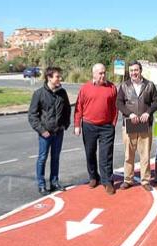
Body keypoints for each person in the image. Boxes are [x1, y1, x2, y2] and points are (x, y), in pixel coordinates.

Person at [74, 63, 118, 195]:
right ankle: (93, 177)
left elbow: (115, 107)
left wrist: (113, 123)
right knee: (90, 152)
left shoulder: (111, 87)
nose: (103, 75)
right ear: (93, 74)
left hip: (106, 127)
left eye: (104, 73)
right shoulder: (85, 88)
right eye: (100, 73)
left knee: (106, 155)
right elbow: (78, 107)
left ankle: (107, 181)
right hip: (89, 126)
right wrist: (77, 125)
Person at [117, 60, 157, 191]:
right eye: (131, 71)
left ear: (140, 70)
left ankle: (145, 180)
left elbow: (156, 101)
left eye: (136, 70)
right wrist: (129, 114)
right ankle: (128, 179)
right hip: (129, 123)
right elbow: (119, 103)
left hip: (144, 124)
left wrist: (148, 112)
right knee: (128, 154)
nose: (133, 73)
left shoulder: (149, 85)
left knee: (145, 154)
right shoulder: (124, 86)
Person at [28, 66, 71, 195]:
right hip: (45, 134)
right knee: (42, 158)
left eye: (59, 76)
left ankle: (54, 182)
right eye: (57, 76)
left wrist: (65, 125)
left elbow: (67, 110)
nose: (60, 78)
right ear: (49, 78)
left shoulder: (62, 93)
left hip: (58, 132)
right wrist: (41, 130)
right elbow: (32, 115)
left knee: (56, 157)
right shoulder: (39, 93)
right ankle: (41, 184)